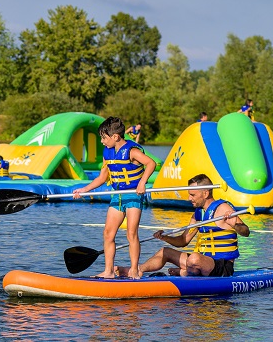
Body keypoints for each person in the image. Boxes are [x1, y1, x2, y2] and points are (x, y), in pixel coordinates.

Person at [118, 173, 250, 278]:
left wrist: (235, 224)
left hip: (222, 266)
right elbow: (183, 241)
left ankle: (185, 272)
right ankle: (137, 270)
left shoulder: (222, 208)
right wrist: (165, 238)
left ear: (205, 193)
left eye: (192, 195)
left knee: (194, 258)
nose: (189, 198)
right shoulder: (198, 214)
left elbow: (245, 231)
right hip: (200, 262)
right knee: (165, 251)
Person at [73, 117, 156, 279]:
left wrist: (142, 183)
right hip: (117, 196)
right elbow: (102, 178)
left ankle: (134, 270)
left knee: (131, 233)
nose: (102, 142)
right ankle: (109, 271)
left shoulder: (132, 151)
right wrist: (84, 189)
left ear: (115, 137)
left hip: (133, 195)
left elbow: (151, 163)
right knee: (108, 234)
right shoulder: (107, 152)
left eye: (104, 138)